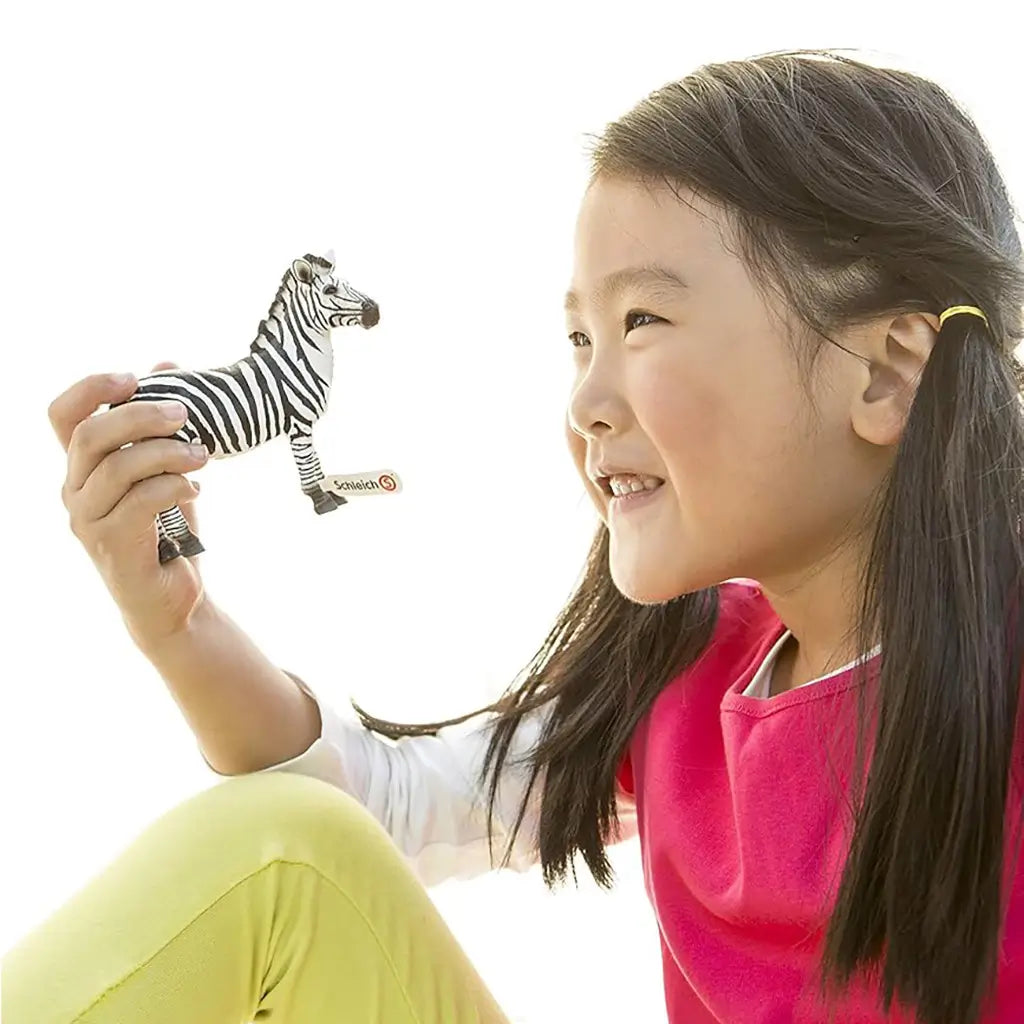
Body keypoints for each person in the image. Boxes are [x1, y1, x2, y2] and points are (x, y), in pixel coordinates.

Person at [5, 46, 1024, 1024]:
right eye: (580, 338)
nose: (585, 401)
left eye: (641, 322)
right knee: (287, 856)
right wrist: (176, 622)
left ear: (884, 372)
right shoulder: (685, 670)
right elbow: (379, 812)